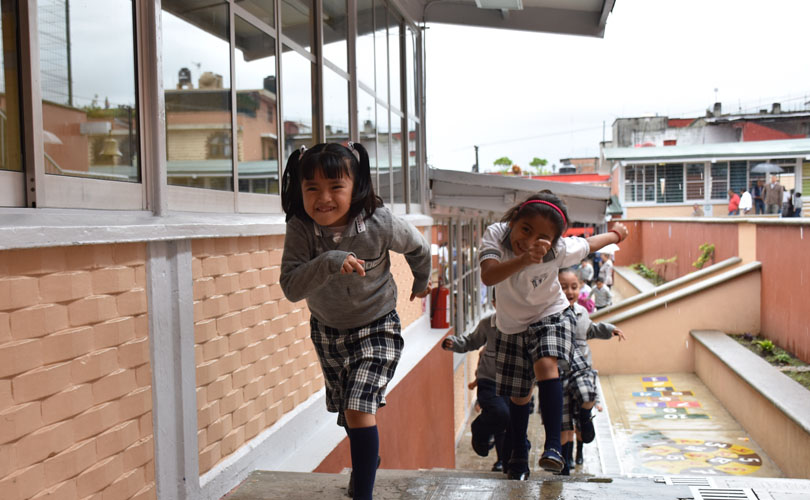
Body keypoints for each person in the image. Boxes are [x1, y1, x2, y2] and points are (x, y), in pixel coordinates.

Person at [279, 142, 431, 500]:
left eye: (336, 187)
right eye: (312, 188)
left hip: (377, 324)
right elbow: (290, 287)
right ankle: (368, 461)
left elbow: (418, 248)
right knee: (349, 413)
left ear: (357, 186)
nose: (323, 198)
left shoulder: (380, 222)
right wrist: (330, 259)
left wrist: (422, 281)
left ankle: (362, 491)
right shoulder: (301, 228)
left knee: (359, 405)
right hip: (328, 331)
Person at [478, 191, 628, 480]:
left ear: (555, 241)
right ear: (514, 219)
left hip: (551, 313)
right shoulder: (496, 235)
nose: (531, 240)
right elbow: (489, 276)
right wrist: (523, 259)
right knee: (520, 397)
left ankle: (554, 447)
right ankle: (518, 456)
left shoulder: (559, 249)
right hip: (511, 325)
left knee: (546, 364)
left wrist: (616, 235)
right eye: (525, 229)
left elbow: (590, 244)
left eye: (542, 237)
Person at [557, 269, 625, 475]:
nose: (569, 291)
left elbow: (590, 329)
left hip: (582, 368)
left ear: (580, 287)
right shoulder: (551, 313)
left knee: (586, 399)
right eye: (563, 287)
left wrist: (609, 329)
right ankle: (566, 461)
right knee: (564, 421)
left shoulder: (582, 312)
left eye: (574, 286)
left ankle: (585, 423)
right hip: (560, 372)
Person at [442, 314, 510, 472]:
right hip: (489, 381)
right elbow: (471, 341)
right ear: (494, 302)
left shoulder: (523, 320)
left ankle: (506, 461)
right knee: (501, 413)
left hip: (513, 382)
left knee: (508, 424)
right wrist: (454, 343)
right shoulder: (488, 323)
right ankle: (479, 428)